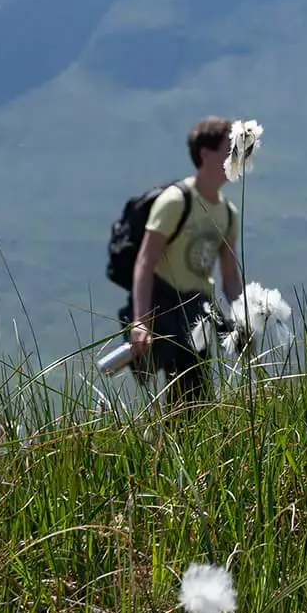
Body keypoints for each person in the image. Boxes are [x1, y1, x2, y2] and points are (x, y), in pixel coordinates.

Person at [126, 116, 245, 401]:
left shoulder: (229, 213)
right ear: (205, 154)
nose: (236, 157)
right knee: (187, 397)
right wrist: (140, 322)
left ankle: (170, 441)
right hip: (164, 312)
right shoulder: (175, 201)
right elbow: (145, 261)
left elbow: (229, 276)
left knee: (194, 397)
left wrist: (244, 317)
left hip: (198, 312)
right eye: (229, 150)